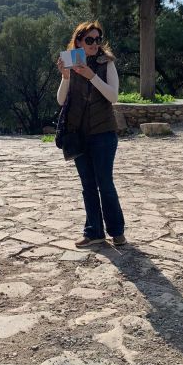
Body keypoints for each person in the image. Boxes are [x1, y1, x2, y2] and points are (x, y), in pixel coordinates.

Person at [56, 21, 125, 248]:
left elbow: (113, 96)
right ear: (78, 42)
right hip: (78, 134)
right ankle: (94, 231)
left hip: (103, 133)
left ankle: (117, 232)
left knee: (105, 183)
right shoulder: (72, 63)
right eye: (89, 40)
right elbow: (60, 100)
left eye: (98, 39)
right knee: (88, 185)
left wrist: (91, 75)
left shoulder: (107, 64)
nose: (95, 44)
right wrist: (66, 78)